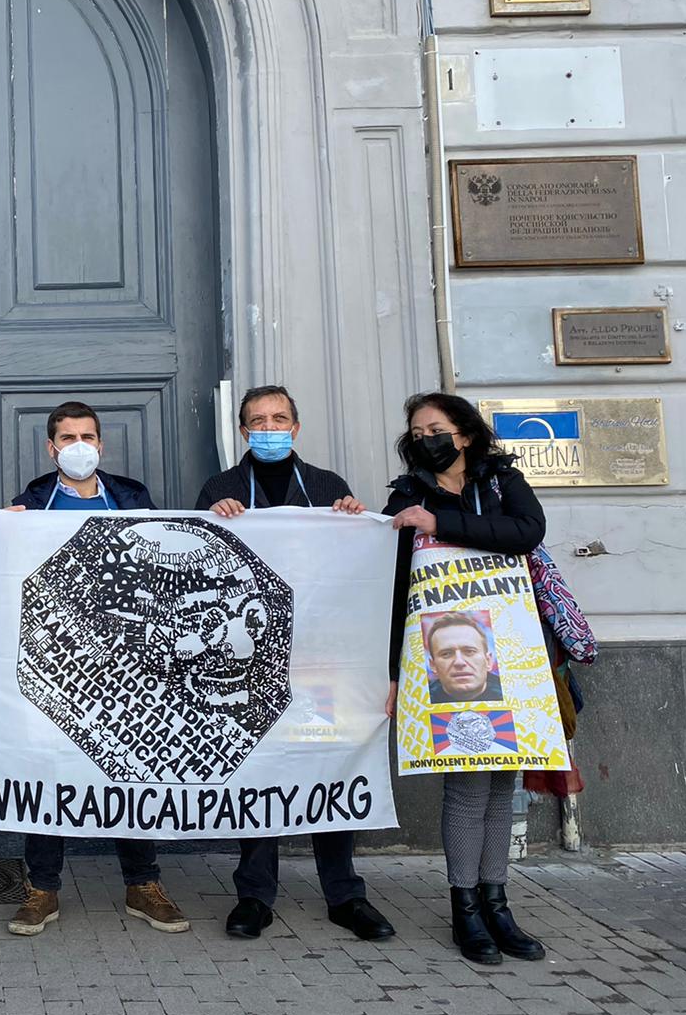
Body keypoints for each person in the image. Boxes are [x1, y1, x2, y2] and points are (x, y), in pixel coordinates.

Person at [193, 384, 395, 943]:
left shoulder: (329, 487)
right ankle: (254, 895)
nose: (269, 427)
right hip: (251, 664)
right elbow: (197, 573)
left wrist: (355, 522)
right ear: (243, 431)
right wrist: (212, 521)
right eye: (258, 420)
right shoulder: (222, 488)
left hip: (324, 660)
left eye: (279, 417)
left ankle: (345, 895)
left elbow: (357, 569)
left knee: (331, 766)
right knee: (257, 774)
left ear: (296, 427)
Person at [6, 400, 191, 938]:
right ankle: (42, 889)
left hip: (131, 661)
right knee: (47, 775)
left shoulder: (131, 496)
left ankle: (143, 885)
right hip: (59, 660)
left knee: (133, 771)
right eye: (68, 438)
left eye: (88, 436)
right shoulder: (32, 503)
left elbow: (164, 564)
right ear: (51, 447)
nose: (79, 446)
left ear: (101, 444)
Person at [383, 392, 547, 965]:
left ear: (467, 434)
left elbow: (526, 532)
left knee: (504, 784)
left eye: (438, 427)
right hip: (441, 660)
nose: (428, 436)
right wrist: (393, 674)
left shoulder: (503, 482)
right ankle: (465, 908)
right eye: (418, 429)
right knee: (467, 784)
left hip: (509, 656)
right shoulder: (405, 496)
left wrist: (441, 522)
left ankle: (498, 903)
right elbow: (391, 586)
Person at [425, 612, 504, 703]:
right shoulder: (419, 702)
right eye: (446, 654)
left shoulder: (513, 694)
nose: (459, 662)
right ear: (433, 665)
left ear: (488, 661)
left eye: (469, 651)